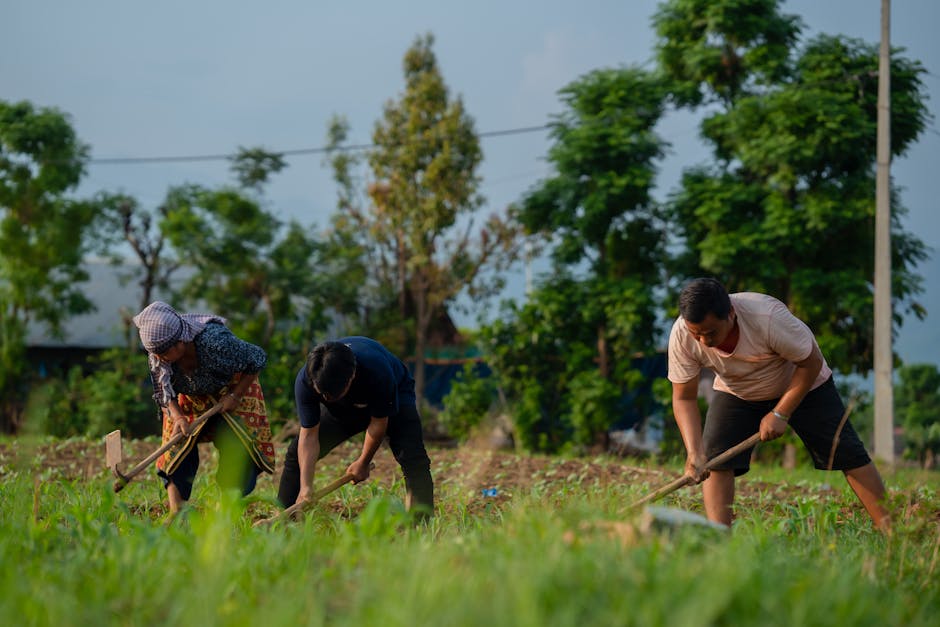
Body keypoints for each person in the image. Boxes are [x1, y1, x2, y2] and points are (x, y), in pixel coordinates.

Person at [667, 278, 891, 532]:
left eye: (711, 333)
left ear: (730, 313)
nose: (704, 342)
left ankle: (893, 532)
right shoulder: (682, 335)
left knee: (847, 452)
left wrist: (780, 412)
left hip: (803, 383)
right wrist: (694, 452)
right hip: (737, 390)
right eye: (697, 334)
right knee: (715, 458)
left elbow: (811, 363)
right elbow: (684, 397)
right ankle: (719, 538)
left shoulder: (767, 317)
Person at [133, 301, 276, 513]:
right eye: (155, 354)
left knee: (238, 446)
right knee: (176, 446)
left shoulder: (215, 342)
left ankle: (226, 506)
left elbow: (257, 359)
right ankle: (176, 511)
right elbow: (164, 392)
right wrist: (178, 417)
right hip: (190, 396)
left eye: (162, 353)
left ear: (180, 342)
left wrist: (235, 395)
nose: (158, 359)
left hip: (234, 387)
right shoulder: (158, 355)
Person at [277, 337, 434, 518]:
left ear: (352, 375)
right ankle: (282, 518)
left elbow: (379, 423)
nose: (327, 399)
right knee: (295, 454)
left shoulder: (377, 371)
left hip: (395, 394)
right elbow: (309, 435)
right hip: (343, 410)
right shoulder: (306, 380)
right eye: (323, 394)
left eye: (334, 394)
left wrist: (363, 461)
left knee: (413, 459)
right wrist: (306, 487)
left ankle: (419, 524)